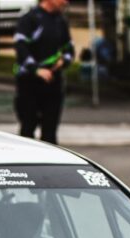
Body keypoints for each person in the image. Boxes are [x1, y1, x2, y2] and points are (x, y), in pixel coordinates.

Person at [14, 0, 74, 145]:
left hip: (53, 81)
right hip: (29, 81)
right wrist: (36, 69)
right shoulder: (30, 18)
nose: (65, 2)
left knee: (50, 131)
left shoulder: (61, 21)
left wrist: (64, 60)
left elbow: (69, 48)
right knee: (28, 127)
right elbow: (20, 46)